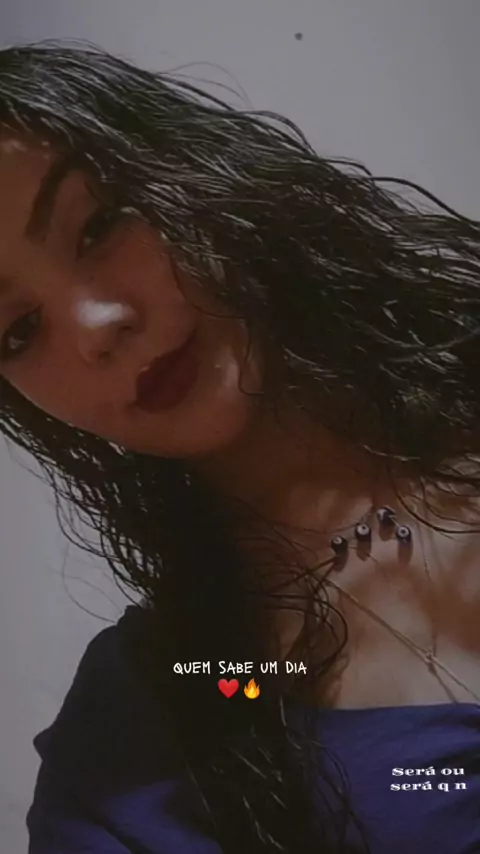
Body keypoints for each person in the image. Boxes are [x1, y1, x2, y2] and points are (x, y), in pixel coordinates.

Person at [0, 40, 479, 854]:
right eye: (18, 330)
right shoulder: (141, 740)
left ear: (189, 172)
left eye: (100, 226)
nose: (98, 326)